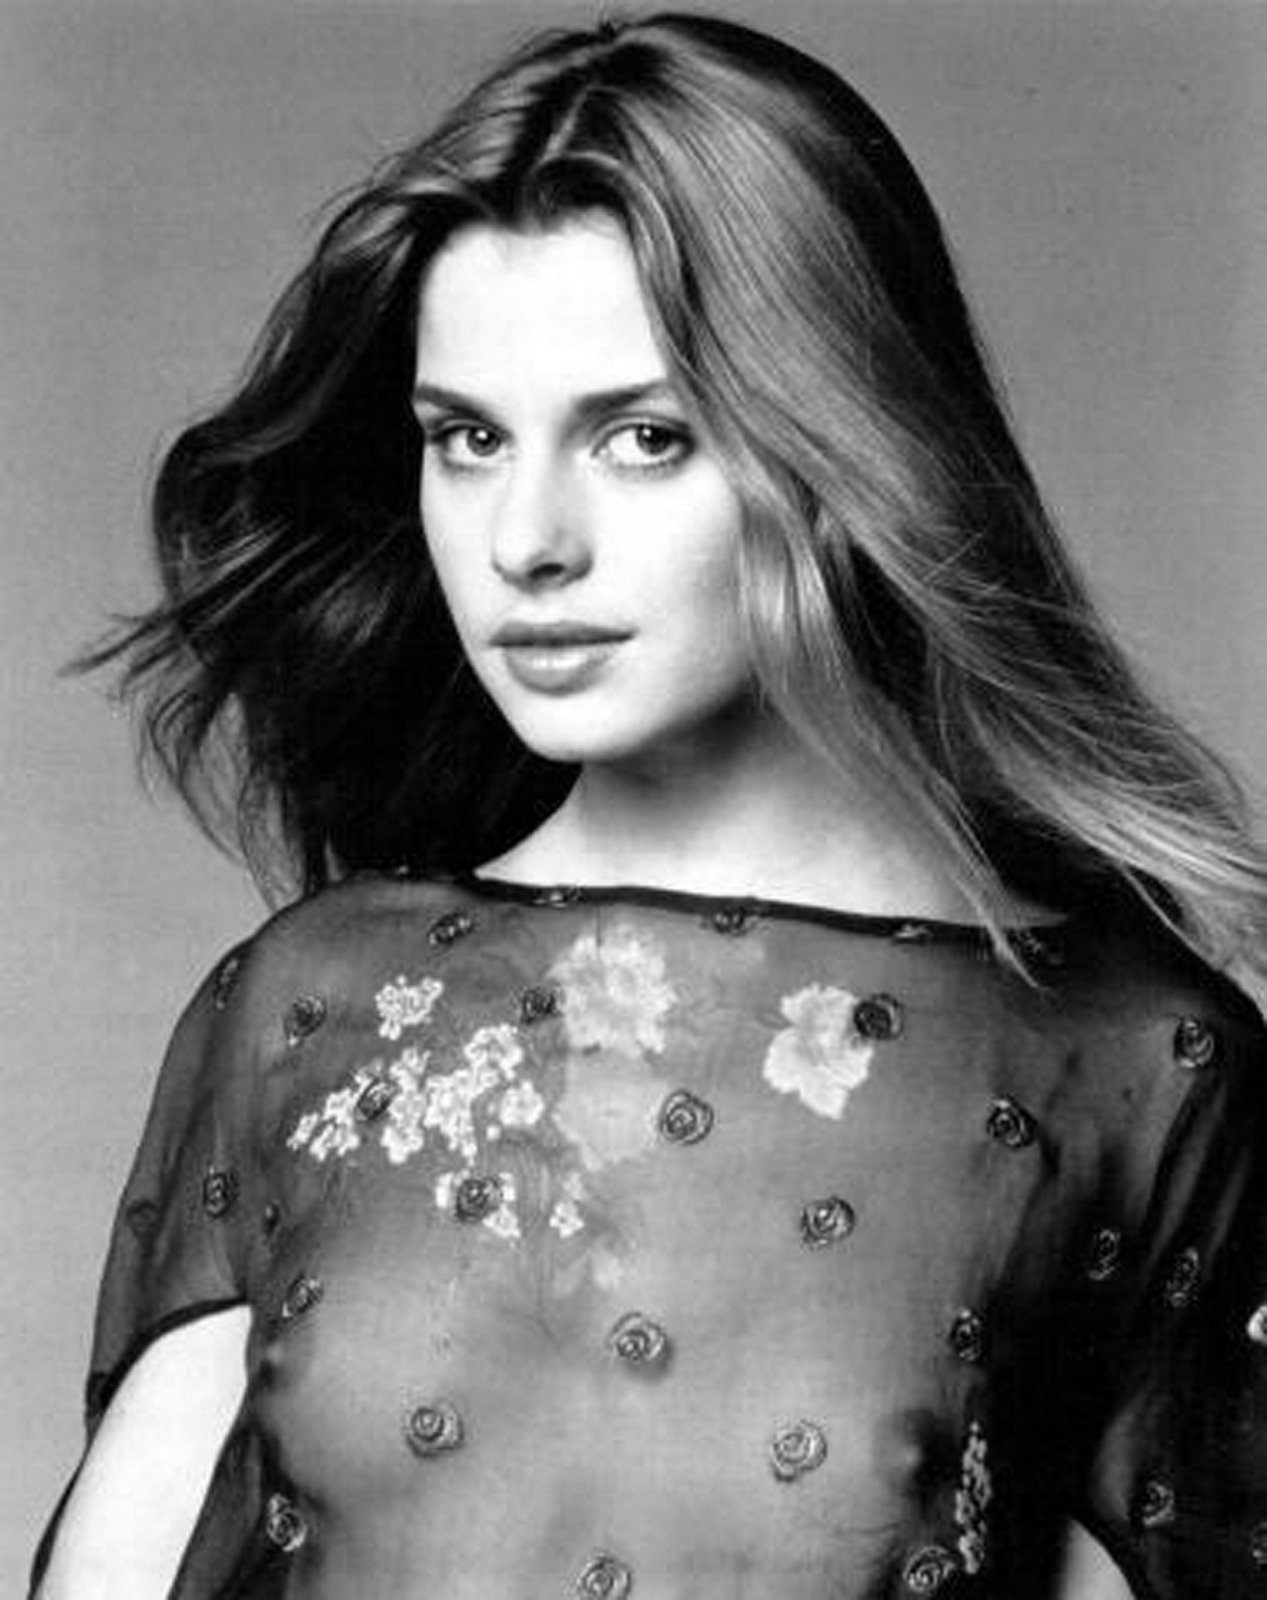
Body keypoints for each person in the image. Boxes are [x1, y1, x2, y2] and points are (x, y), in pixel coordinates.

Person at [32, 11, 1267, 1598]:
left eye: (641, 437)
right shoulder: (312, 1007)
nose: (527, 539)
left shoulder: (1133, 1067)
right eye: (468, 439)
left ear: (843, 451)